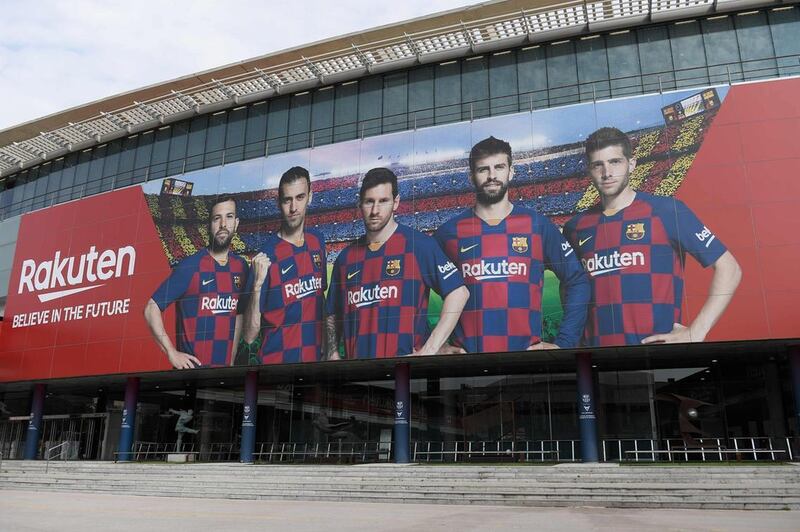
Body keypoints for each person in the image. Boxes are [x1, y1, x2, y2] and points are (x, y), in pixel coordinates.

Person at [563, 127, 741, 346]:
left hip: (657, 355)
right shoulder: (575, 227)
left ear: (632, 163)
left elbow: (729, 268)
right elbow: (570, 287)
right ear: (589, 170)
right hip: (597, 359)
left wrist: (697, 330)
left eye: (615, 162)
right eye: (598, 165)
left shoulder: (667, 211)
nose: (607, 172)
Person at [434, 136, 590, 353]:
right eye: (483, 169)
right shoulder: (448, 233)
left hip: (526, 362)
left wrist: (564, 342)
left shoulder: (537, 225)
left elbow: (577, 280)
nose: (492, 176)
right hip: (466, 365)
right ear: (472, 176)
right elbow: (411, 289)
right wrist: (434, 346)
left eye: (499, 167)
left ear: (511, 171)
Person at [325, 167, 469, 359]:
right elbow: (332, 313)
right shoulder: (345, 258)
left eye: (383, 201)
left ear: (396, 202)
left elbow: (459, 292)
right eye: (369, 201)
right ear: (360, 203)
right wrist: (332, 352)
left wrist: (431, 348)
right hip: (358, 375)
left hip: (405, 374)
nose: (375, 211)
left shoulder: (419, 245)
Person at [144, 195, 248, 368]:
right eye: (217, 218)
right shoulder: (191, 265)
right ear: (209, 225)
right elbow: (150, 308)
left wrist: (231, 358)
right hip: (192, 376)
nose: (223, 224)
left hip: (224, 375)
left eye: (229, 217)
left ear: (236, 223)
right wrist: (171, 352)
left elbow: (239, 313)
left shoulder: (242, 266)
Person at [241, 166, 327, 364]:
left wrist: (325, 347)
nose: (294, 208)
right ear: (279, 203)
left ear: (310, 197)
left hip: (314, 363)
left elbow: (319, 297)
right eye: (287, 200)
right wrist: (256, 287)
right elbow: (249, 335)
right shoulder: (266, 256)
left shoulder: (318, 241)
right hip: (276, 366)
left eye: (300, 197)